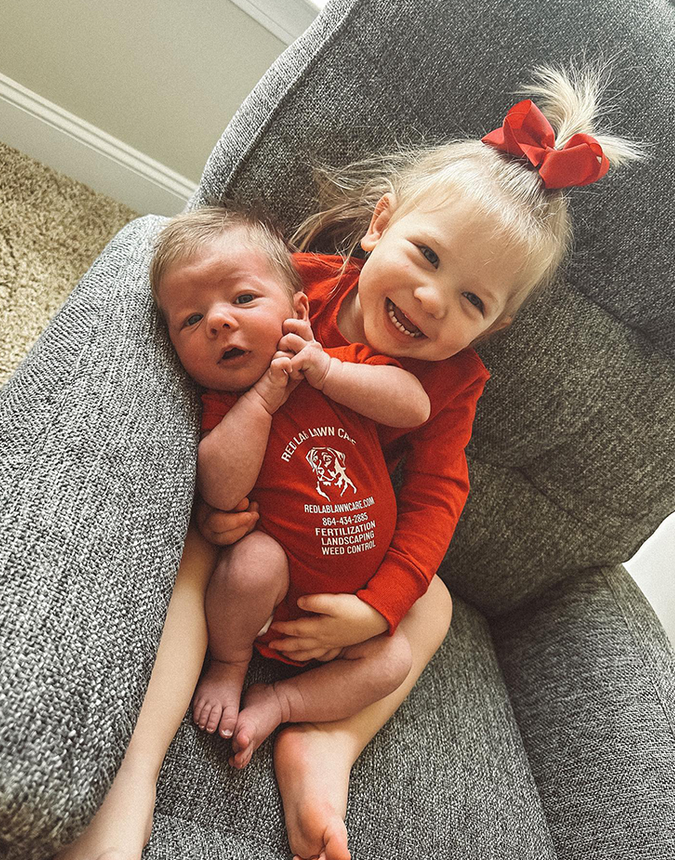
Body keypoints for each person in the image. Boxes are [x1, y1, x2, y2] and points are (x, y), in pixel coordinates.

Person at [54, 66, 643, 860]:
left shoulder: (452, 380)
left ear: (495, 326)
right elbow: (206, 345)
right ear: (380, 224)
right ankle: (130, 780)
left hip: (343, 571)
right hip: (254, 535)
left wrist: (378, 606)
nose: (434, 300)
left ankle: (324, 744)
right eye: (427, 256)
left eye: (472, 302)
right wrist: (211, 500)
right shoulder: (290, 291)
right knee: (202, 557)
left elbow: (438, 493)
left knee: (428, 606)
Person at [153, 206, 431, 768]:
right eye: (190, 320)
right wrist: (260, 402)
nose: (218, 322)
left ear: (298, 310)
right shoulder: (224, 405)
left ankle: (279, 703)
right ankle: (229, 665)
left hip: (354, 611)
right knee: (253, 561)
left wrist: (324, 368)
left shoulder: (337, 366)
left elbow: (415, 404)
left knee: (393, 663)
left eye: (244, 299)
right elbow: (221, 489)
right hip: (270, 605)